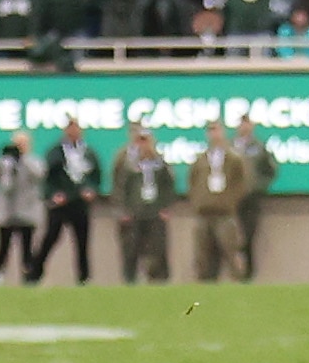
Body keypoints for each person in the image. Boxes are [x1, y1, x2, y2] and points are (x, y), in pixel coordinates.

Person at [112, 124, 181, 284]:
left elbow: (169, 186)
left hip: (155, 212)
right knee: (131, 250)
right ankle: (130, 281)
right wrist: (122, 210)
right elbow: (119, 187)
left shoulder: (160, 162)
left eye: (145, 141)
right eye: (139, 141)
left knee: (157, 250)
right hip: (133, 212)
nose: (142, 145)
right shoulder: (126, 162)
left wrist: (166, 207)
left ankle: (158, 281)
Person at [37, 121, 100, 284]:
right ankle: (34, 272)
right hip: (60, 204)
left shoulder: (88, 152)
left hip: (80, 203)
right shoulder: (56, 152)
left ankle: (84, 278)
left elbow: (96, 176)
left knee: (82, 242)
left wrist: (91, 190)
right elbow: (47, 177)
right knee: (50, 238)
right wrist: (53, 195)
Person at [0, 132, 43, 284]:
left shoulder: (33, 161)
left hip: (26, 210)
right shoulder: (3, 161)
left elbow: (39, 175)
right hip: (6, 211)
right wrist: (2, 160)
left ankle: (28, 277)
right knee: (3, 246)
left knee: (27, 247)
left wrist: (22, 159)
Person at [189, 129, 246, 283]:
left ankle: (237, 281)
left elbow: (241, 183)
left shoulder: (233, 159)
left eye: (217, 131)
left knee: (230, 250)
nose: (215, 135)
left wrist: (230, 202)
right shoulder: (201, 160)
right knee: (203, 254)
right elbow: (192, 182)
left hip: (225, 213)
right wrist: (198, 202)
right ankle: (204, 285)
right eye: (211, 131)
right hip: (204, 213)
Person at [223, 118, 275, 279]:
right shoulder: (230, 147)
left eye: (247, 124)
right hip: (232, 199)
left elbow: (270, 170)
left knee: (249, 234)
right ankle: (233, 271)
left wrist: (259, 186)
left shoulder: (258, 147)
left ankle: (249, 274)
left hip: (252, 198)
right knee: (231, 235)